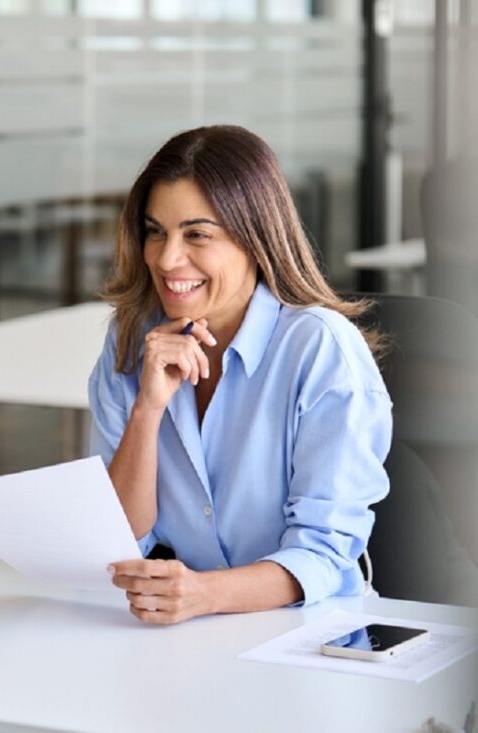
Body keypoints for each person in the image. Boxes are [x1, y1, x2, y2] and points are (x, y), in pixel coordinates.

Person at [89, 125, 391, 625]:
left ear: (255, 239)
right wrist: (148, 408)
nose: (166, 259)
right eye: (155, 231)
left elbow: (323, 555)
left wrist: (204, 594)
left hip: (311, 631)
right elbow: (120, 537)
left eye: (198, 235)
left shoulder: (319, 349)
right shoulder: (132, 342)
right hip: (191, 631)